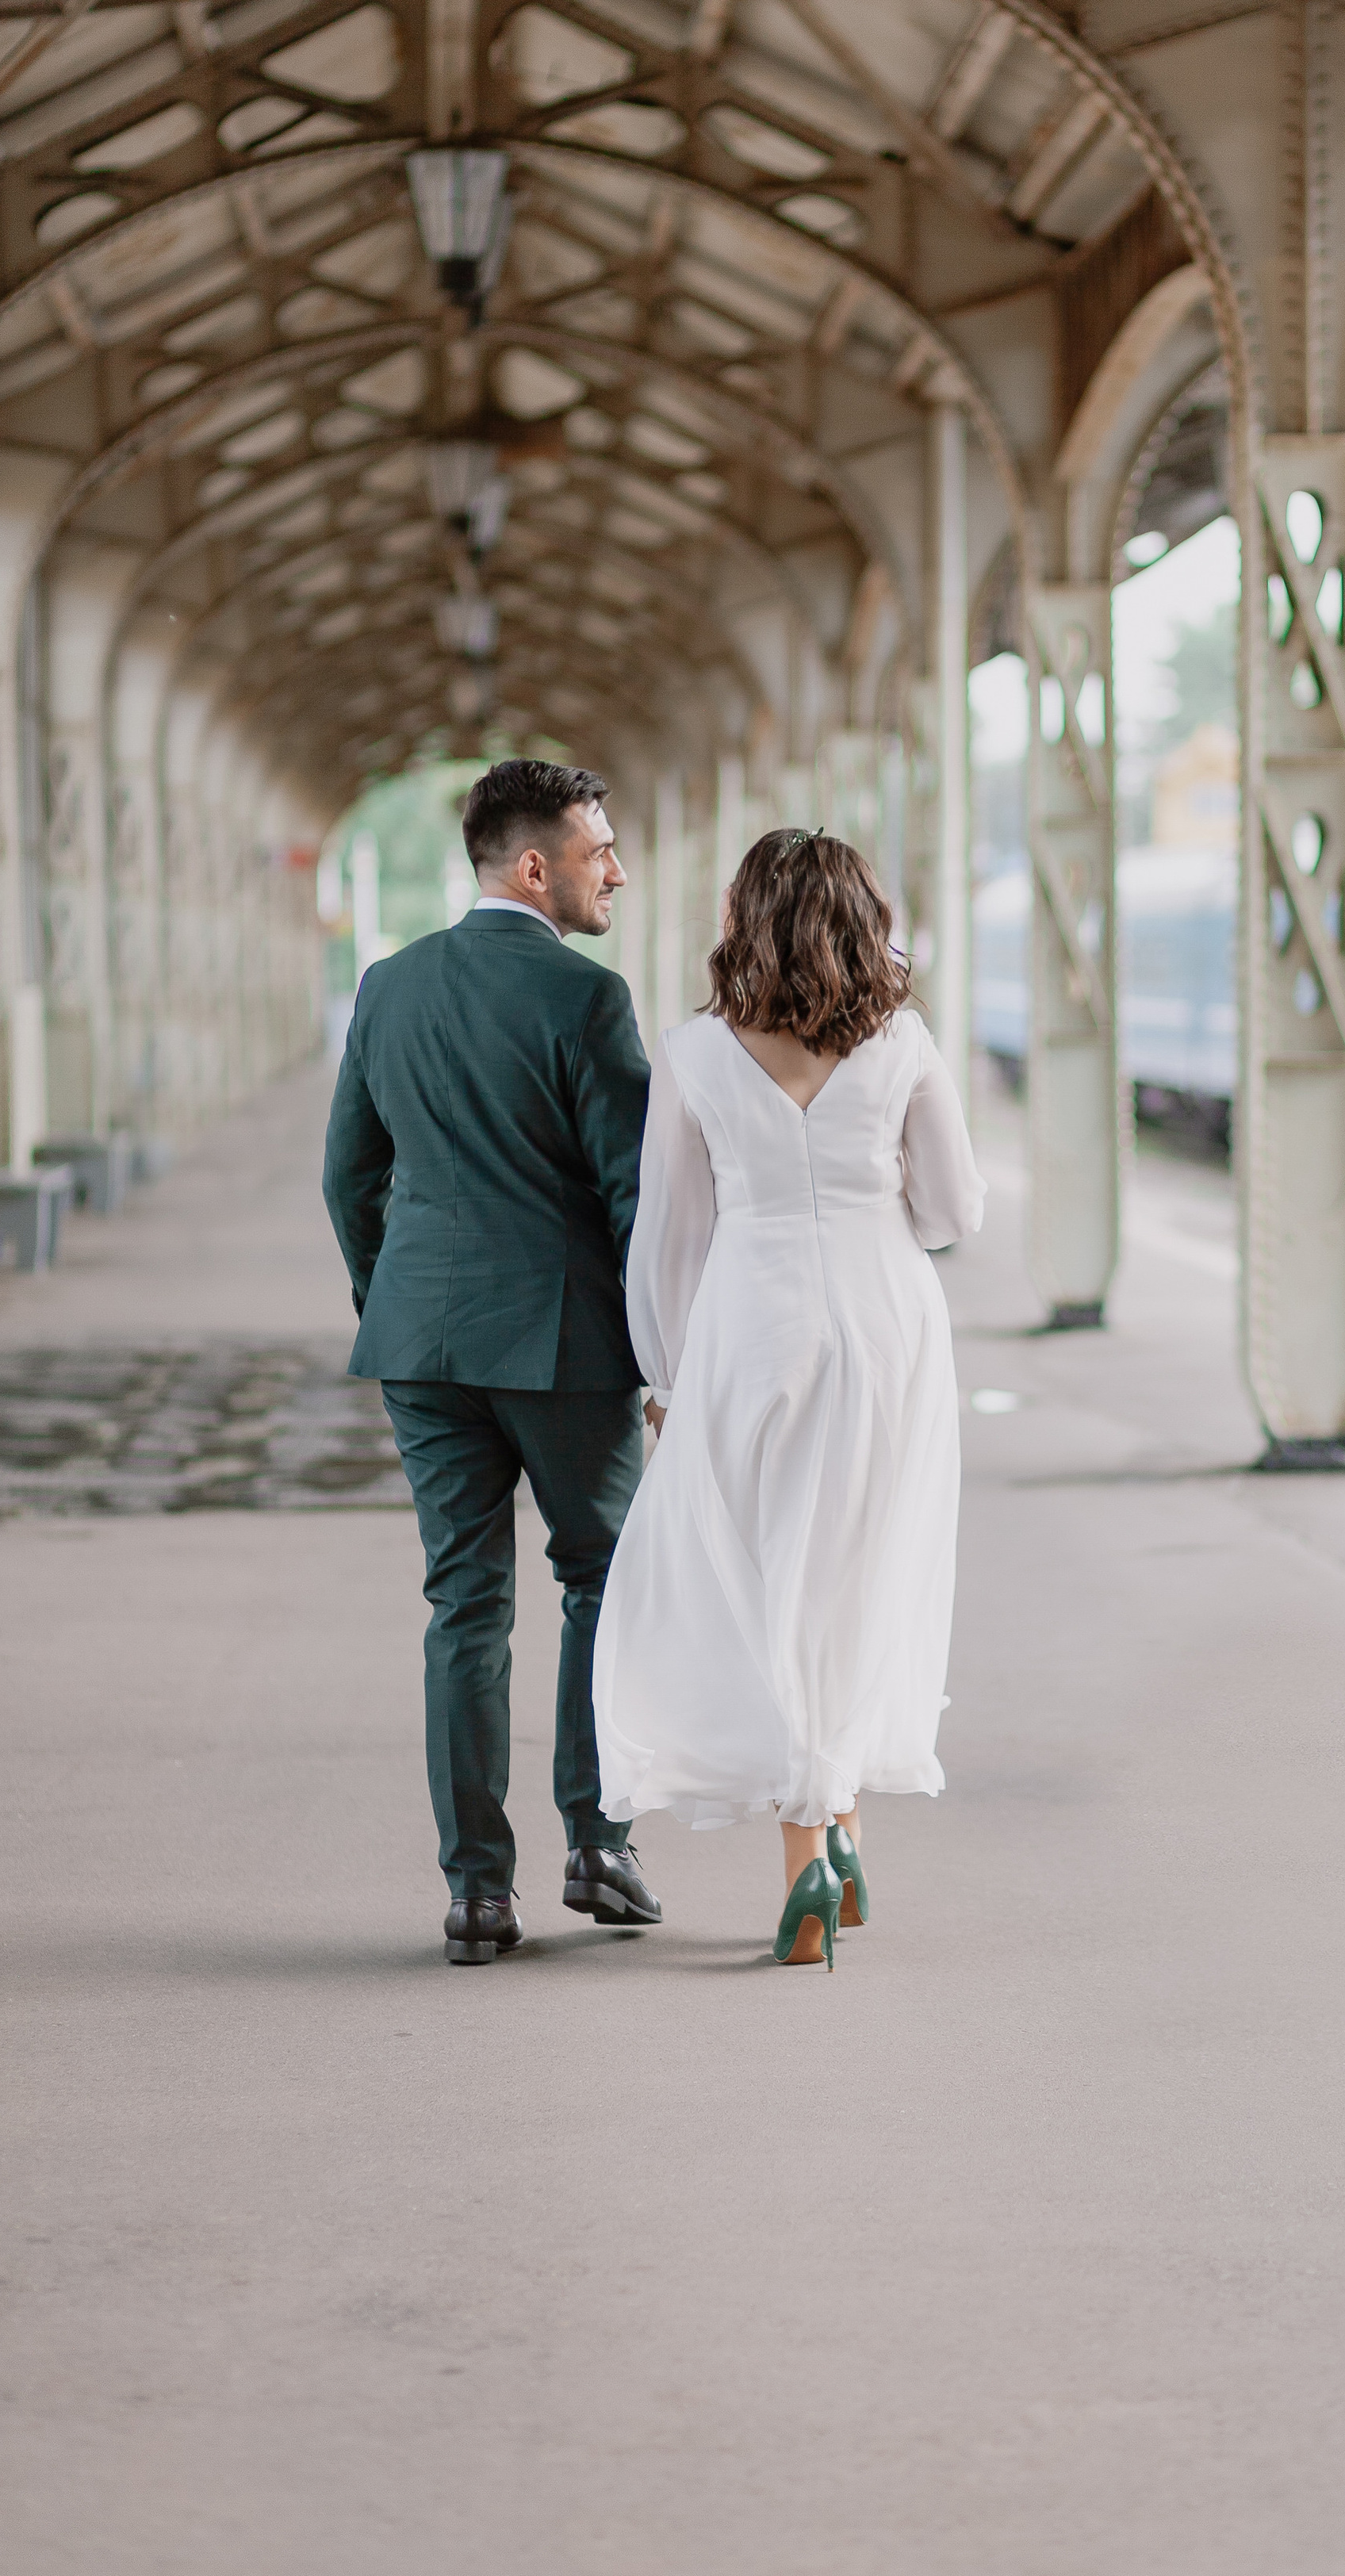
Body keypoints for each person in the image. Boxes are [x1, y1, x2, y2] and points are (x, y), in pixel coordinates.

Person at [592, 829, 986, 1972]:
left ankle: (810, 1846)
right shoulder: (904, 1040)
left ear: (741, 918)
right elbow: (957, 1209)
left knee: (768, 1575)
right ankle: (840, 1825)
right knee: (864, 1569)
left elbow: (666, 1239)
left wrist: (665, 1378)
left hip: (749, 1324)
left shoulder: (695, 1053)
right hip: (886, 1322)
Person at [321, 757, 664, 1966]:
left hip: (423, 1341)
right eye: (598, 848)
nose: (615, 867)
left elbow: (346, 1177)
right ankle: (598, 1842)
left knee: (464, 1605)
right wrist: (662, 1352)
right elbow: (636, 1199)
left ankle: (477, 1892)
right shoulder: (588, 1000)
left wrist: (396, 1297)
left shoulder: (389, 986)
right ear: (537, 865)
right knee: (603, 1581)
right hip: (564, 1343)